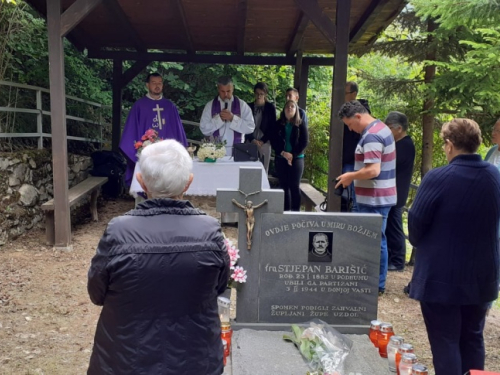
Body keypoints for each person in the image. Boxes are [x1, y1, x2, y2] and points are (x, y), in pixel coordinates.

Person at [87, 139, 230, 375]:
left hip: (125, 360)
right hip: (194, 360)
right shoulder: (210, 230)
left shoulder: (118, 232)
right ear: (188, 183)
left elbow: (96, 293)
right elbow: (220, 286)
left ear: (142, 182)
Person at [408, 118, 500, 375]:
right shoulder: (494, 176)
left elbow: (415, 225)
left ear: (449, 145)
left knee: (446, 342)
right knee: (473, 338)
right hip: (483, 276)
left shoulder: (439, 177)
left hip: (442, 278)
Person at [335, 100, 396, 295]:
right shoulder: (381, 127)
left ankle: (376, 285)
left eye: (350, 125)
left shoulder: (371, 136)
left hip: (374, 198)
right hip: (378, 196)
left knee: (375, 242)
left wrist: (350, 176)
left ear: (359, 116)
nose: (351, 130)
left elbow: (373, 170)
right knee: (376, 240)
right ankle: (373, 282)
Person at [119, 73, 188, 187]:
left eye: (160, 83)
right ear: (147, 85)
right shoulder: (139, 106)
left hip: (166, 155)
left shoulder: (169, 106)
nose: (157, 86)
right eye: (154, 83)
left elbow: (178, 132)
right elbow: (130, 132)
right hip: (146, 154)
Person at [385, 111, 415, 272]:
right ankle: (393, 257)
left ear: (398, 128)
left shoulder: (405, 145)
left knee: (395, 227)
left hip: (397, 193)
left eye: (389, 127)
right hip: (393, 191)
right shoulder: (399, 144)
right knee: (391, 226)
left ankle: (397, 261)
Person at [200, 76, 255, 156]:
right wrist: (219, 119)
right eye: (222, 91)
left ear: (232, 89)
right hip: (215, 151)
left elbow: (250, 128)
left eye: (228, 91)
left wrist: (233, 118)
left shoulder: (242, 105)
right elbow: (204, 129)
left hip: (237, 151)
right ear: (218, 89)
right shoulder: (210, 106)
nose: (226, 94)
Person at [271, 100, 309, 211]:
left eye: (292, 106)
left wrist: (292, 154)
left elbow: (304, 141)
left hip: (297, 158)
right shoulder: (278, 124)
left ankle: (296, 213)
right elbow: (274, 140)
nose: (290, 108)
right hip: (281, 158)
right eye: (287, 106)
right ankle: (285, 212)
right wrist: (283, 153)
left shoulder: (301, 124)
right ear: (284, 110)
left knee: (294, 185)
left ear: (296, 109)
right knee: (283, 185)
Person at [342, 81, 371, 212]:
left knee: (355, 199)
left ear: (354, 94)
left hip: (355, 160)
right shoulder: (343, 111)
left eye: (345, 93)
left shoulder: (361, 112)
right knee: (345, 197)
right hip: (345, 158)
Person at [247, 82, 276, 173]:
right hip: (250, 140)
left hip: (265, 142)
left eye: (261, 94)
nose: (259, 96)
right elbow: (245, 125)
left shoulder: (270, 108)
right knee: (248, 168)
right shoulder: (249, 107)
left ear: (265, 94)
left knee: (263, 169)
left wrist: (263, 140)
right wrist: (252, 139)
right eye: (257, 93)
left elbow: (272, 127)